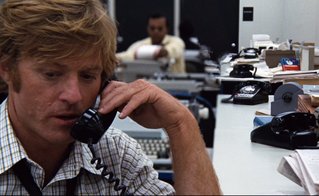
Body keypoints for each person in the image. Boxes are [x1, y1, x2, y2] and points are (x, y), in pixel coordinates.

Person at [0, 0, 221, 195]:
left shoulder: (117, 154)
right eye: (51, 74)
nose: (74, 96)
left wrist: (181, 124)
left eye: (88, 76)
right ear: (7, 69)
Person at [117, 13, 186, 74]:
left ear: (167, 29)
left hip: (176, 86)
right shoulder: (141, 44)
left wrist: (164, 52)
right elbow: (129, 55)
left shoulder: (176, 41)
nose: (156, 31)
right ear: (148, 29)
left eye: (160, 28)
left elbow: (174, 50)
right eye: (152, 28)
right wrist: (114, 58)